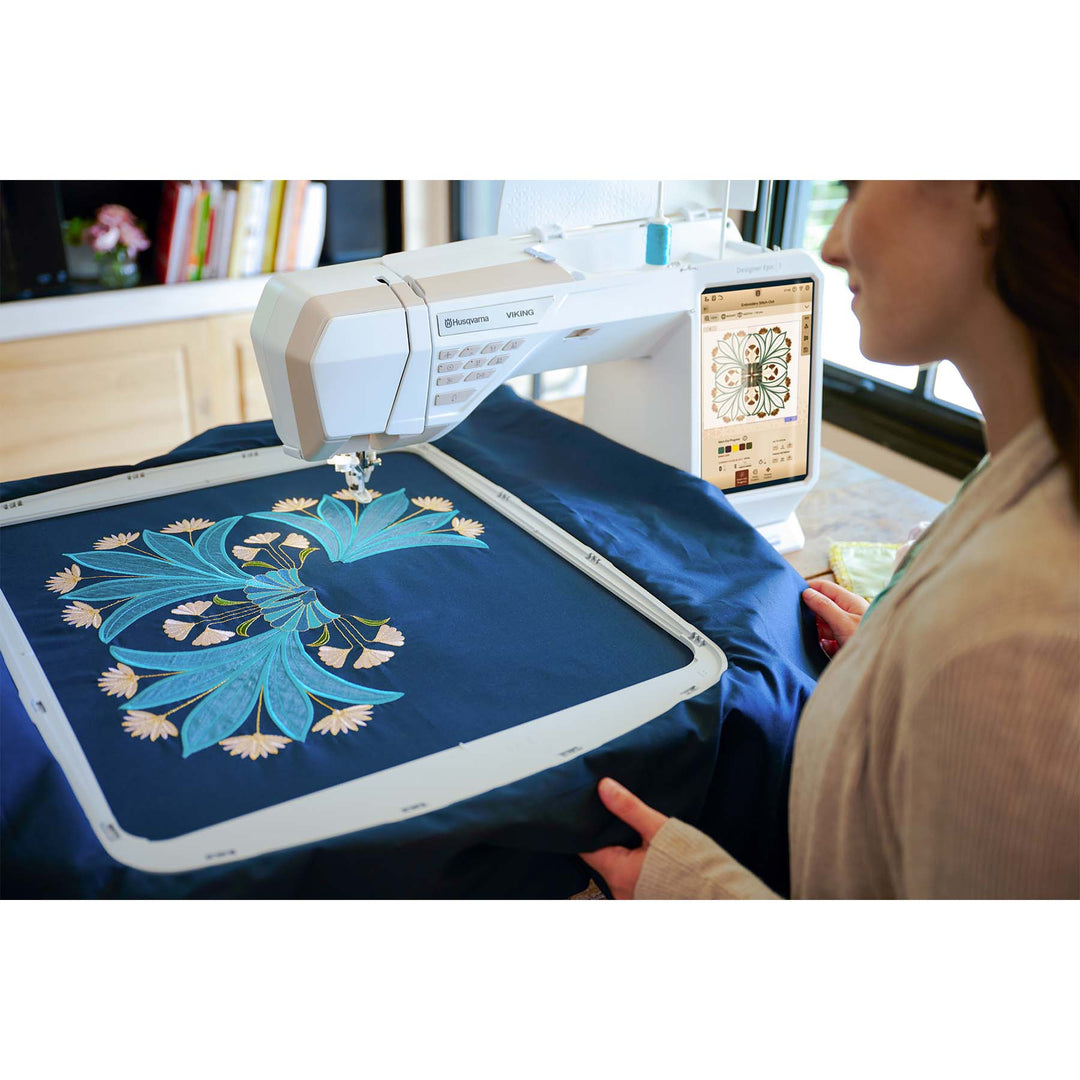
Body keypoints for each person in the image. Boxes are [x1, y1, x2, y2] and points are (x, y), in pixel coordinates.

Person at [580, 181, 1080, 899]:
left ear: (982, 195)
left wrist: (692, 892)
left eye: (856, 187)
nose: (832, 243)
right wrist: (894, 659)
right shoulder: (1021, 468)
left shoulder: (1018, 636)